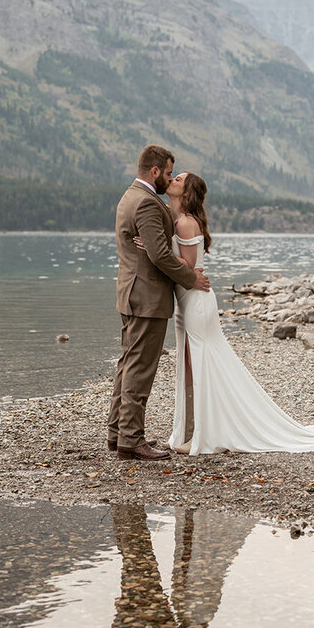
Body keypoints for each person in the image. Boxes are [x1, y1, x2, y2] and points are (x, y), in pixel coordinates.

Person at [159, 170, 314, 456]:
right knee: (191, 364)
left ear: (186, 192)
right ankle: (191, 430)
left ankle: (203, 434)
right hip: (188, 299)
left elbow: (187, 267)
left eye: (178, 180)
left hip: (195, 299)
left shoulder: (186, 223)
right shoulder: (177, 219)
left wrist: (156, 250)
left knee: (200, 363)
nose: (172, 180)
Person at [107, 145, 210, 461]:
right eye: (168, 173)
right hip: (147, 298)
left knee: (128, 364)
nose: (169, 178)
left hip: (131, 294)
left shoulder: (131, 197)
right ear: (155, 172)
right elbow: (161, 255)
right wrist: (192, 279)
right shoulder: (149, 205)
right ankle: (130, 439)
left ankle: (117, 433)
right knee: (140, 368)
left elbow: (155, 249)